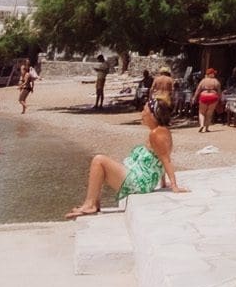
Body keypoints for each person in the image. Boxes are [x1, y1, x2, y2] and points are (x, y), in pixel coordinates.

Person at [65, 81, 185, 217]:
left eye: (145, 110)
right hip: (141, 180)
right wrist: (163, 183)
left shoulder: (156, 134)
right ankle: (93, 203)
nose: (142, 113)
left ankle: (91, 204)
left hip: (139, 182)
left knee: (99, 160)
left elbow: (165, 159)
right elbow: (160, 159)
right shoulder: (161, 132)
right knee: (100, 165)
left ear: (153, 115)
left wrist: (174, 186)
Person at [195, 67, 223, 133]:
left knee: (201, 112)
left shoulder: (203, 81)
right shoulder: (216, 81)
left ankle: (201, 125)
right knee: (209, 114)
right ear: (212, 74)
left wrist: (194, 97)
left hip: (204, 96)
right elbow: (219, 92)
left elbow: (198, 90)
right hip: (213, 97)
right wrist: (220, 99)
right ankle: (207, 128)